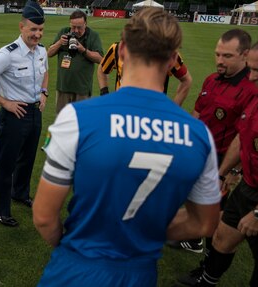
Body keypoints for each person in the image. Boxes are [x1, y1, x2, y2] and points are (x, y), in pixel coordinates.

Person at [33, 8, 220, 287]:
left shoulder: (77, 118)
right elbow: (204, 223)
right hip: (140, 273)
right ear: (171, 61)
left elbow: (44, 217)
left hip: (76, 267)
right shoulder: (199, 135)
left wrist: (78, 244)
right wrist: (144, 232)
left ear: (121, 52)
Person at [175, 43, 258, 287]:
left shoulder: (247, 91)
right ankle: (207, 278)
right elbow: (242, 139)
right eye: (218, 54)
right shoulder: (246, 93)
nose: (251, 77)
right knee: (222, 235)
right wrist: (222, 175)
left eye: (257, 71)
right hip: (241, 182)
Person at [0, 0, 48, 227]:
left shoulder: (41, 51)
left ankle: (20, 193)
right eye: (33, 29)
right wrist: (4, 102)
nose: (37, 34)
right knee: (6, 163)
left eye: (41, 30)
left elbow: (45, 71)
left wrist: (44, 92)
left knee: (28, 158)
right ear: (21, 27)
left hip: (35, 112)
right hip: (15, 115)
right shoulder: (8, 54)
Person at [97, 43, 192, 106]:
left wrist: (172, 111)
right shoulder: (116, 49)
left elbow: (186, 80)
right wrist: (104, 94)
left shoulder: (166, 54)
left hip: (153, 114)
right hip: (120, 109)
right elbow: (102, 69)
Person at [48, 9, 103, 114]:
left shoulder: (93, 36)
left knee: (81, 123)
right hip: (63, 88)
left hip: (82, 90)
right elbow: (49, 53)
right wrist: (59, 43)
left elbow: (100, 58)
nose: (76, 30)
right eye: (73, 27)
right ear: (70, 24)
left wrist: (83, 50)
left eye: (79, 27)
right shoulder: (63, 32)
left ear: (85, 24)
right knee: (62, 122)